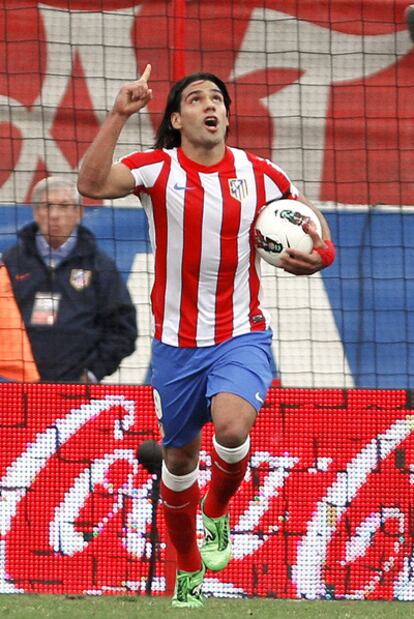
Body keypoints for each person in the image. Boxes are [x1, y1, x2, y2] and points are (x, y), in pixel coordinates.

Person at [77, 65, 336, 607]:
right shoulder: (156, 168)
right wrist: (121, 114)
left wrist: (318, 257)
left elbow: (311, 225)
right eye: (196, 99)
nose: (210, 105)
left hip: (241, 331)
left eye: (217, 98)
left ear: (225, 115)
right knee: (177, 463)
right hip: (176, 345)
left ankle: (216, 510)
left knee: (233, 423)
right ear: (177, 118)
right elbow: (91, 184)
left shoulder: (260, 173)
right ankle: (189, 566)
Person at [2, 176, 137, 383]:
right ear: (35, 212)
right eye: (47, 206)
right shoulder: (11, 262)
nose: (54, 215)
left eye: (64, 206)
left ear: (79, 213)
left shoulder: (99, 265)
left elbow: (123, 329)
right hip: (18, 387)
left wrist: (92, 373)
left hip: (76, 389)